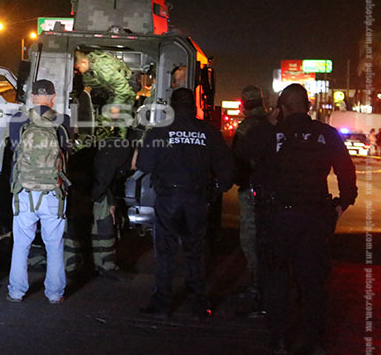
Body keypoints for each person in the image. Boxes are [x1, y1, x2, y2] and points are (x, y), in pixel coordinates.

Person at [237, 83, 357, 353]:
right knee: (313, 283)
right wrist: (341, 205)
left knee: (276, 279)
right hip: (314, 219)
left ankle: (278, 338)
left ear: (281, 108)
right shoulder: (326, 134)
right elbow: (346, 174)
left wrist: (267, 124)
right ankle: (314, 341)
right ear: (309, 106)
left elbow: (243, 155)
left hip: (276, 218)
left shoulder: (272, 133)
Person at [136, 88, 233, 318]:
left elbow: (144, 165)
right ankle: (198, 304)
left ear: (171, 106)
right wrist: (216, 190)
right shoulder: (208, 132)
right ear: (194, 105)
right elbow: (227, 169)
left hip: (168, 197)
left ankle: (162, 304)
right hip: (197, 198)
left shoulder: (159, 131)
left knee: (165, 252)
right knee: (195, 251)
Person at [72, 49, 136, 280]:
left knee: (110, 134)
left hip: (121, 102)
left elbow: (124, 90)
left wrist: (114, 113)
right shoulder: (92, 69)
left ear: (85, 62)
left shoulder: (102, 65)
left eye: (78, 67)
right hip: (112, 102)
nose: (78, 71)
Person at [6, 79, 71, 304]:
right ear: (53, 98)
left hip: (24, 191)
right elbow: (66, 154)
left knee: (21, 243)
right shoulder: (64, 121)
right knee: (54, 246)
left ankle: (16, 291)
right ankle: (54, 294)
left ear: (32, 97)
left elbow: (15, 152)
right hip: (53, 192)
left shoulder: (18, 120)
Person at [231, 85, 270, 307]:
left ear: (244, 104)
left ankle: (258, 287)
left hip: (251, 190)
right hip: (272, 192)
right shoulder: (273, 125)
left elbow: (237, 162)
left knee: (250, 239)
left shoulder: (245, 129)